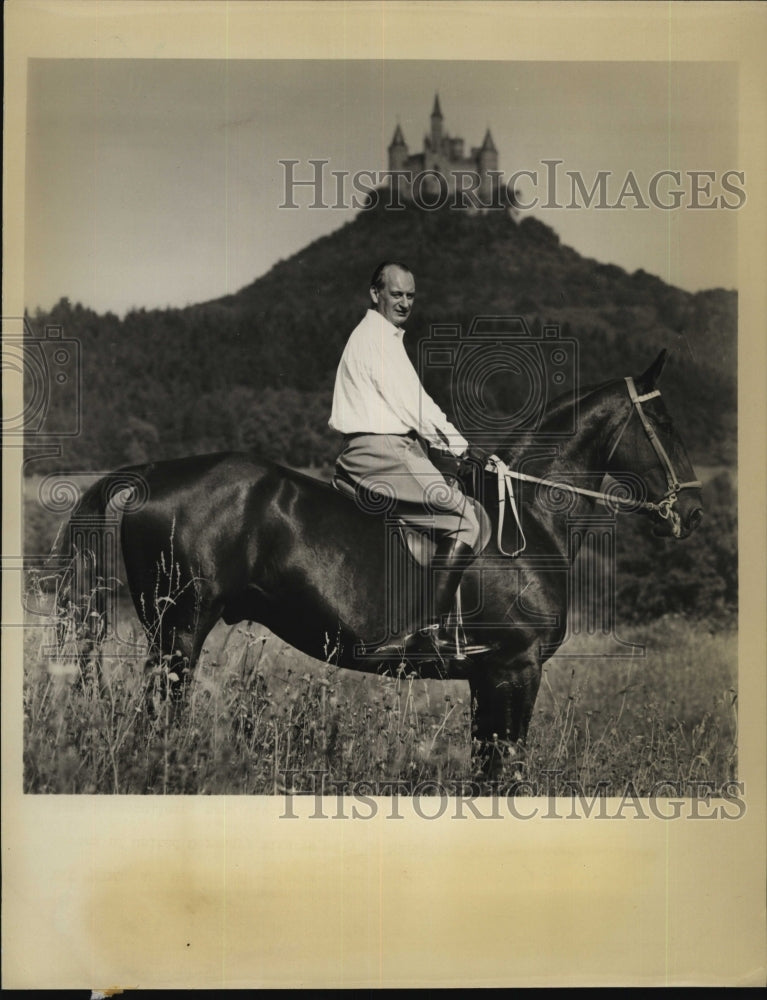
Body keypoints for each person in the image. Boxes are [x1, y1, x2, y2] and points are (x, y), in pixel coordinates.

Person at [329, 261, 496, 660]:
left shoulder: (379, 336)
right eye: (396, 294)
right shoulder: (378, 339)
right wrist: (462, 449)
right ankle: (425, 634)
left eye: (410, 295)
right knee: (465, 519)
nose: (404, 302)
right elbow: (416, 405)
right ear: (376, 294)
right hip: (383, 450)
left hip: (384, 449)